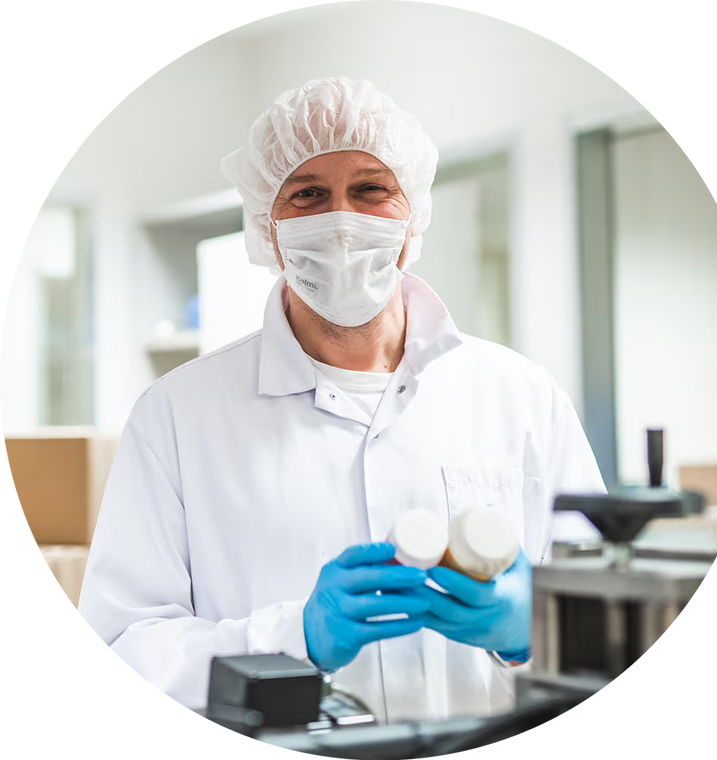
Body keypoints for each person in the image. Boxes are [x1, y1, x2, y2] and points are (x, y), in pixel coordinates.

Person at [77, 77, 605, 725]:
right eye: (307, 194)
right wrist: (291, 637)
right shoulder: (177, 416)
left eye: (371, 189)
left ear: (413, 213)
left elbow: (603, 630)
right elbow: (126, 645)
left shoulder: (522, 397)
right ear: (267, 226)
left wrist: (533, 632)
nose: (342, 223)